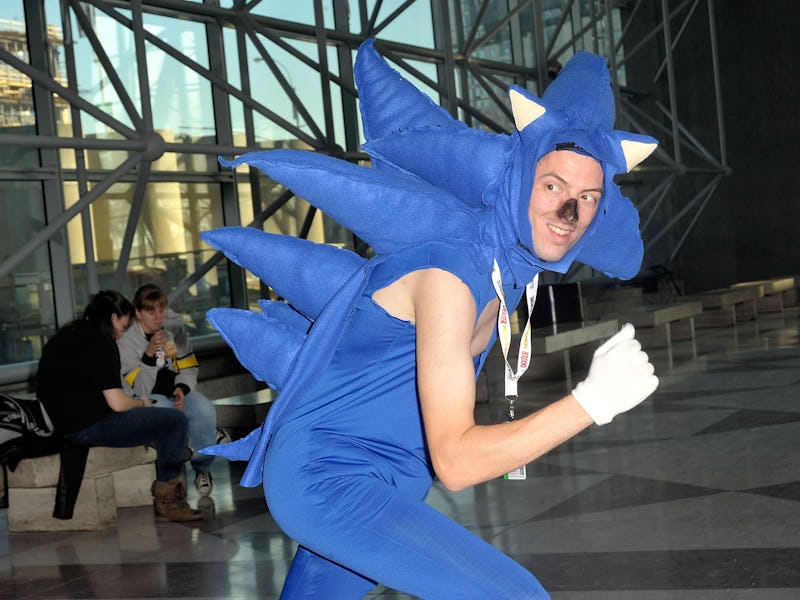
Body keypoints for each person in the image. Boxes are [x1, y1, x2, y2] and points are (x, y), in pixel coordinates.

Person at [201, 41, 659, 598]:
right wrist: (593, 401)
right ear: (520, 178)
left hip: (386, 481)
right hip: (329, 478)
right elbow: (457, 463)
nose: (569, 212)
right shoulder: (452, 273)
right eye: (552, 186)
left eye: (587, 196)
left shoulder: (505, 268)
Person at [36, 290, 204, 522]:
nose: (122, 333)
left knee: (153, 419)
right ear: (114, 318)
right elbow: (118, 403)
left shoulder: (65, 335)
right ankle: (168, 500)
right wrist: (142, 403)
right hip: (88, 428)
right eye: (124, 326)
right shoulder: (102, 342)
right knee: (175, 421)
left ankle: (157, 441)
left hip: (57, 425)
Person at [117, 283, 220, 497]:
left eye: (161, 309)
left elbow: (188, 366)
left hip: (173, 391)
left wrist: (181, 388)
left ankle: (202, 467)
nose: (158, 316)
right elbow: (138, 389)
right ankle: (174, 474)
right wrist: (148, 354)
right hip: (146, 397)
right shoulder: (126, 341)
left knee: (203, 408)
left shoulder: (174, 330)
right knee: (166, 411)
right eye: (150, 311)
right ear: (138, 313)